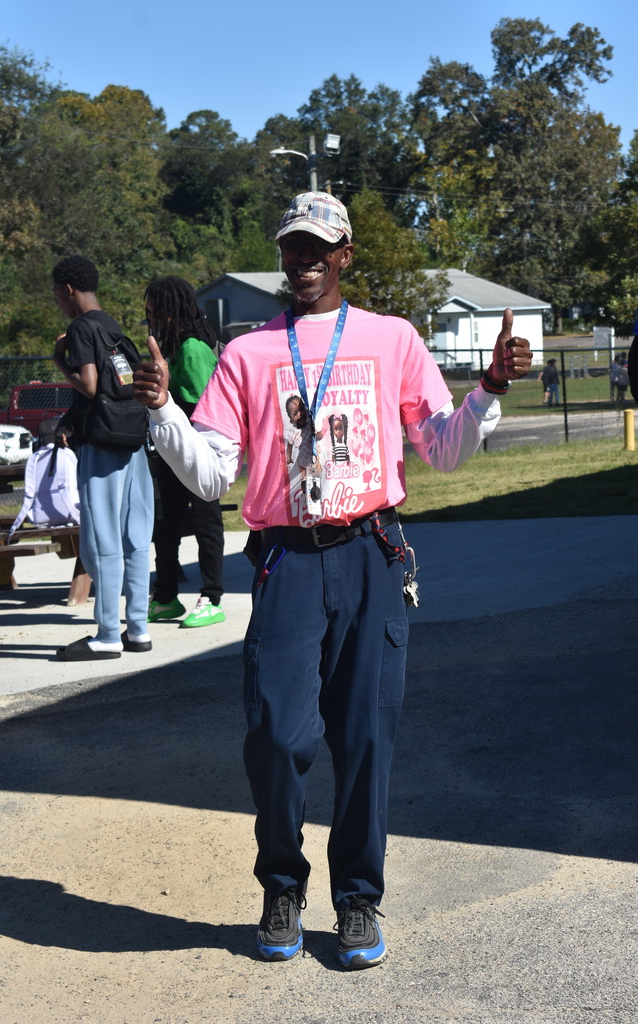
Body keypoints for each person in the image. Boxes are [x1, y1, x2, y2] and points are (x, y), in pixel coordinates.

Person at [133, 192, 532, 969]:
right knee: (277, 738)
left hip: (370, 554)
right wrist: (163, 415)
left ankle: (357, 899)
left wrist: (487, 390)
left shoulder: (391, 340)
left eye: (320, 247)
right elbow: (213, 470)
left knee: (365, 739)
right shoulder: (249, 353)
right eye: (292, 247)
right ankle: (281, 885)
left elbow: (442, 451)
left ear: (345, 254)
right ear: (281, 255)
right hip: (284, 560)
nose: (304, 260)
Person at [52, 255, 154, 661]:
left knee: (102, 540)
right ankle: (139, 630)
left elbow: (91, 385)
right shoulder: (112, 326)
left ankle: (108, 633)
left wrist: (60, 359)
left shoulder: (79, 328)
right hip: (132, 439)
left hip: (101, 443)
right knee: (135, 538)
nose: (58, 301)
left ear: (68, 290)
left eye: (57, 294)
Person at [144, 276, 225, 627]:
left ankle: (212, 597)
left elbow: (203, 409)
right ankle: (165, 597)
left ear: (169, 310)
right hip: (173, 454)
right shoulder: (175, 346)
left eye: (153, 311)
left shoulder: (192, 349)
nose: (150, 318)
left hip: (198, 452)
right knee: (167, 524)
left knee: (207, 523)